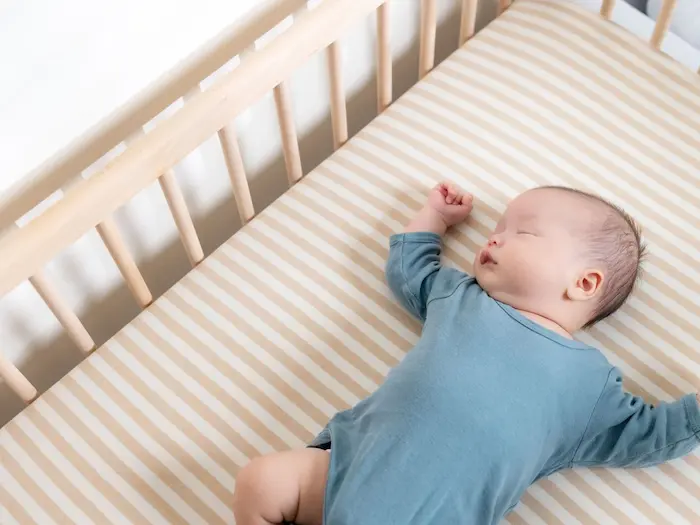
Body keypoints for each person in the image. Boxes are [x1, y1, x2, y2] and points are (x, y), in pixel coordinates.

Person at [233, 183, 700, 525]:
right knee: (261, 480)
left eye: (524, 233)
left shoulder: (590, 386)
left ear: (584, 282)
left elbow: (651, 435)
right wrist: (432, 218)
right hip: (346, 471)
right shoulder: (461, 297)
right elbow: (408, 270)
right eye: (496, 228)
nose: (492, 238)